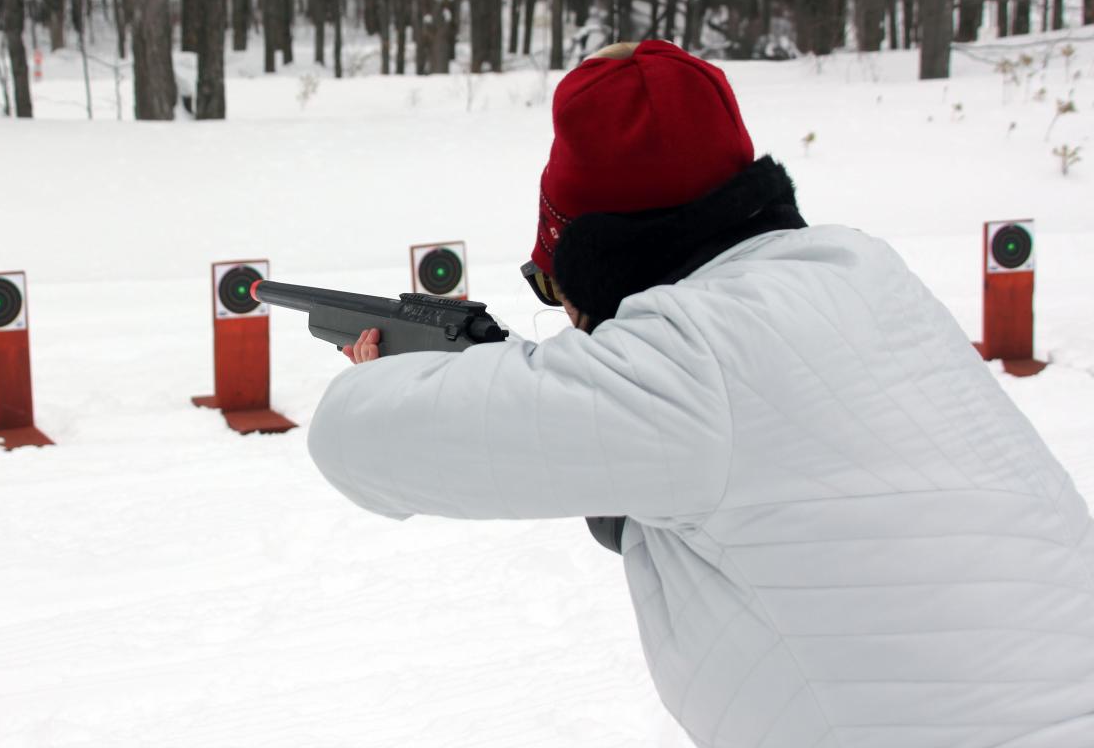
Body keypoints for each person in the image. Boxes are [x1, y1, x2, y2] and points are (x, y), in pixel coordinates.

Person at [307, 40, 1094, 748]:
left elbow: (354, 440)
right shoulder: (861, 275)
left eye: (554, 283)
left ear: (599, 262)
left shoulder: (687, 365)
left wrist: (396, 372)